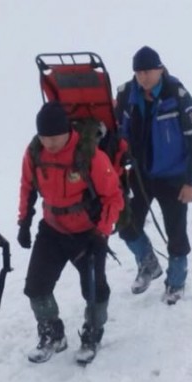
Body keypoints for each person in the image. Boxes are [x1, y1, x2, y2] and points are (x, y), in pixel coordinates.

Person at [17, 102, 124, 364]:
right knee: (36, 287)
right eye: (44, 137)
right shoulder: (34, 154)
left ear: (67, 131)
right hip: (52, 229)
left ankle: (93, 332)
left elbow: (113, 197)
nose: (49, 143)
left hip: (87, 233)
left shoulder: (90, 156)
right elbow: (27, 187)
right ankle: (53, 334)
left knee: (94, 290)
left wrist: (101, 233)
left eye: (54, 137)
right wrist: (24, 222)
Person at [115, 46, 192, 305]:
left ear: (159, 69)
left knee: (176, 233)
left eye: (147, 71)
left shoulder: (177, 96)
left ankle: (176, 281)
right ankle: (148, 264)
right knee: (125, 223)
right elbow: (114, 132)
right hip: (140, 175)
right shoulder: (126, 96)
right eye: (138, 72)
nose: (143, 77)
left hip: (174, 177)